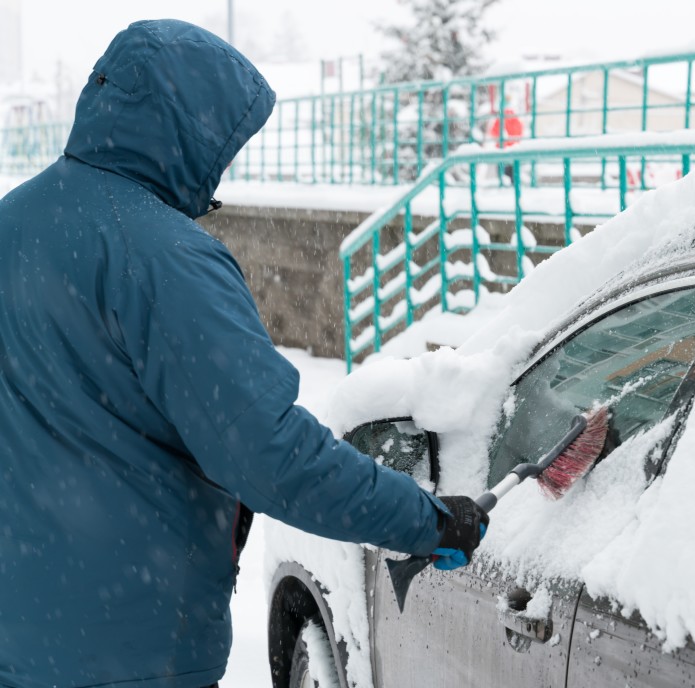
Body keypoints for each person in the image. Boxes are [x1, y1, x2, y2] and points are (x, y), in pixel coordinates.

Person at [0, 19, 488, 688]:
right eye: (224, 142)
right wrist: (426, 520)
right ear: (185, 129)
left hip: (25, 630)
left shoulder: (14, 222)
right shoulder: (163, 258)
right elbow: (270, 453)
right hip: (129, 651)